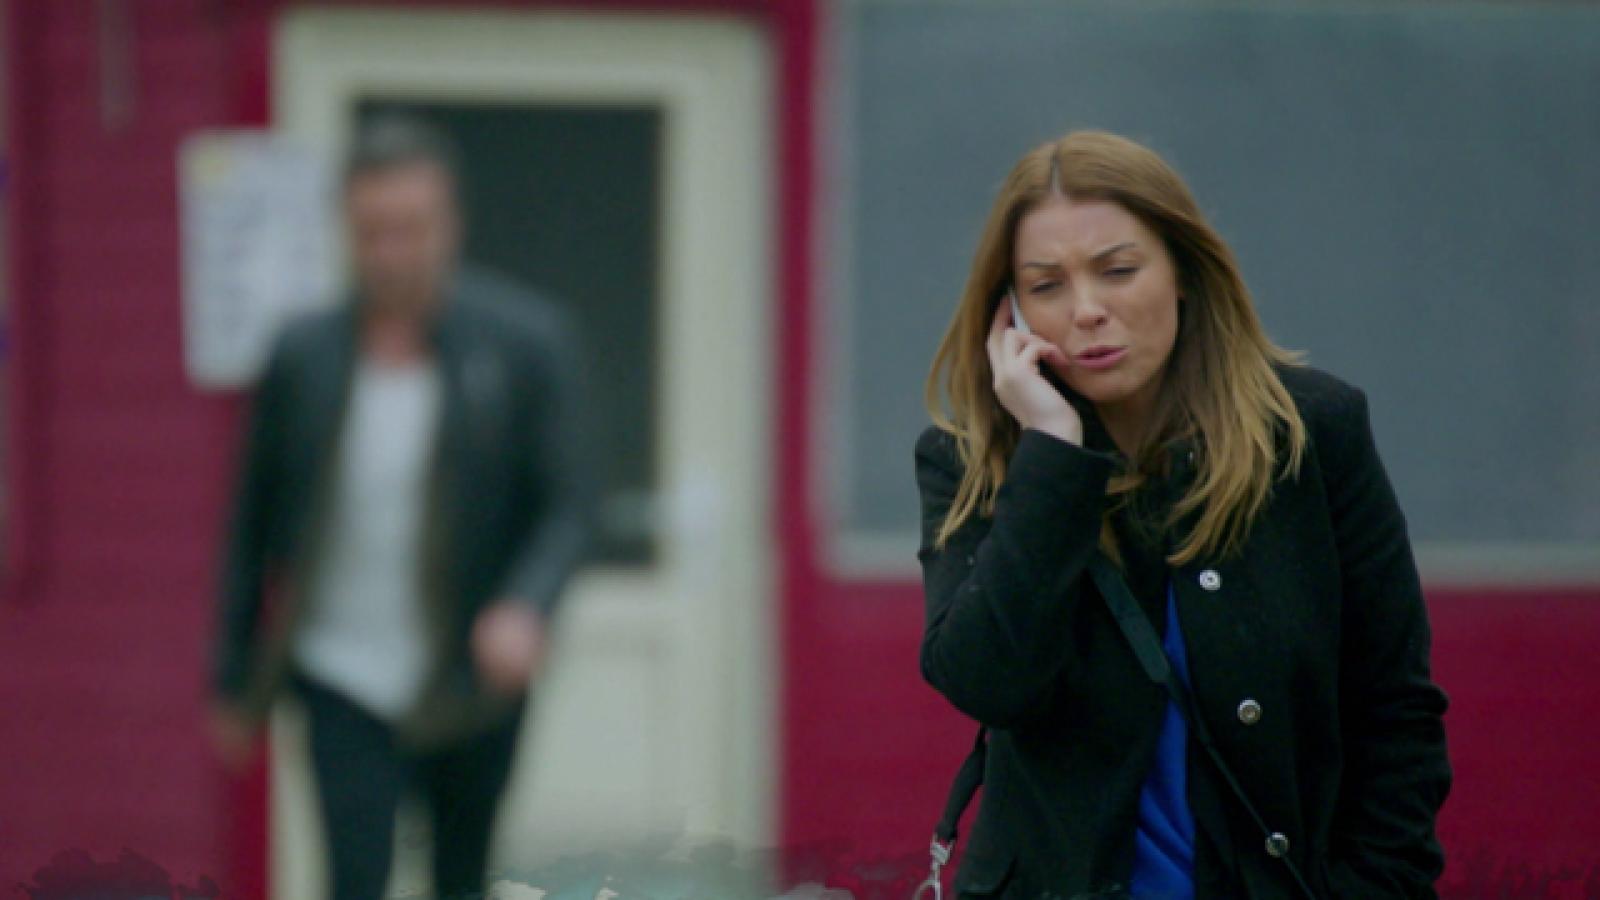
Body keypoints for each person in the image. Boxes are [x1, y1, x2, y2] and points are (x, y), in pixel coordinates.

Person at [915, 131, 1450, 899]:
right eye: (1047, 285)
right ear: (1012, 313)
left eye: (1118, 270)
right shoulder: (974, 462)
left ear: (1184, 272)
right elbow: (989, 682)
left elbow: (1394, 708)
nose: (1087, 311)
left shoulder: (1309, 435)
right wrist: (1052, 454)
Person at [208, 117, 589, 900]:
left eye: (409, 229)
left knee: (460, 875)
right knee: (355, 877)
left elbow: (570, 502)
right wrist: (233, 676)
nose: (391, 253)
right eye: (371, 231)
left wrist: (527, 603)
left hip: (470, 674)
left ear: (450, 225)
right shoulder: (305, 355)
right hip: (340, 667)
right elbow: (252, 520)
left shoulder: (524, 345)